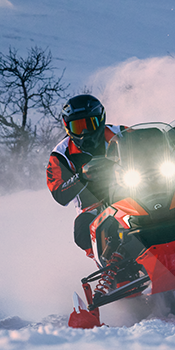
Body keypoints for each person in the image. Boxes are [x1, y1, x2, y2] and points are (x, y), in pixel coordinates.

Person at [46, 94, 121, 258]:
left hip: (132, 188)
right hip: (93, 205)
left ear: (101, 120)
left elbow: (146, 140)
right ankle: (111, 263)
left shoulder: (120, 133)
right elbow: (59, 193)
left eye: (90, 124)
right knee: (83, 229)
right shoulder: (60, 154)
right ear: (68, 128)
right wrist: (81, 176)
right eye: (78, 127)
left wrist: (168, 137)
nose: (85, 132)